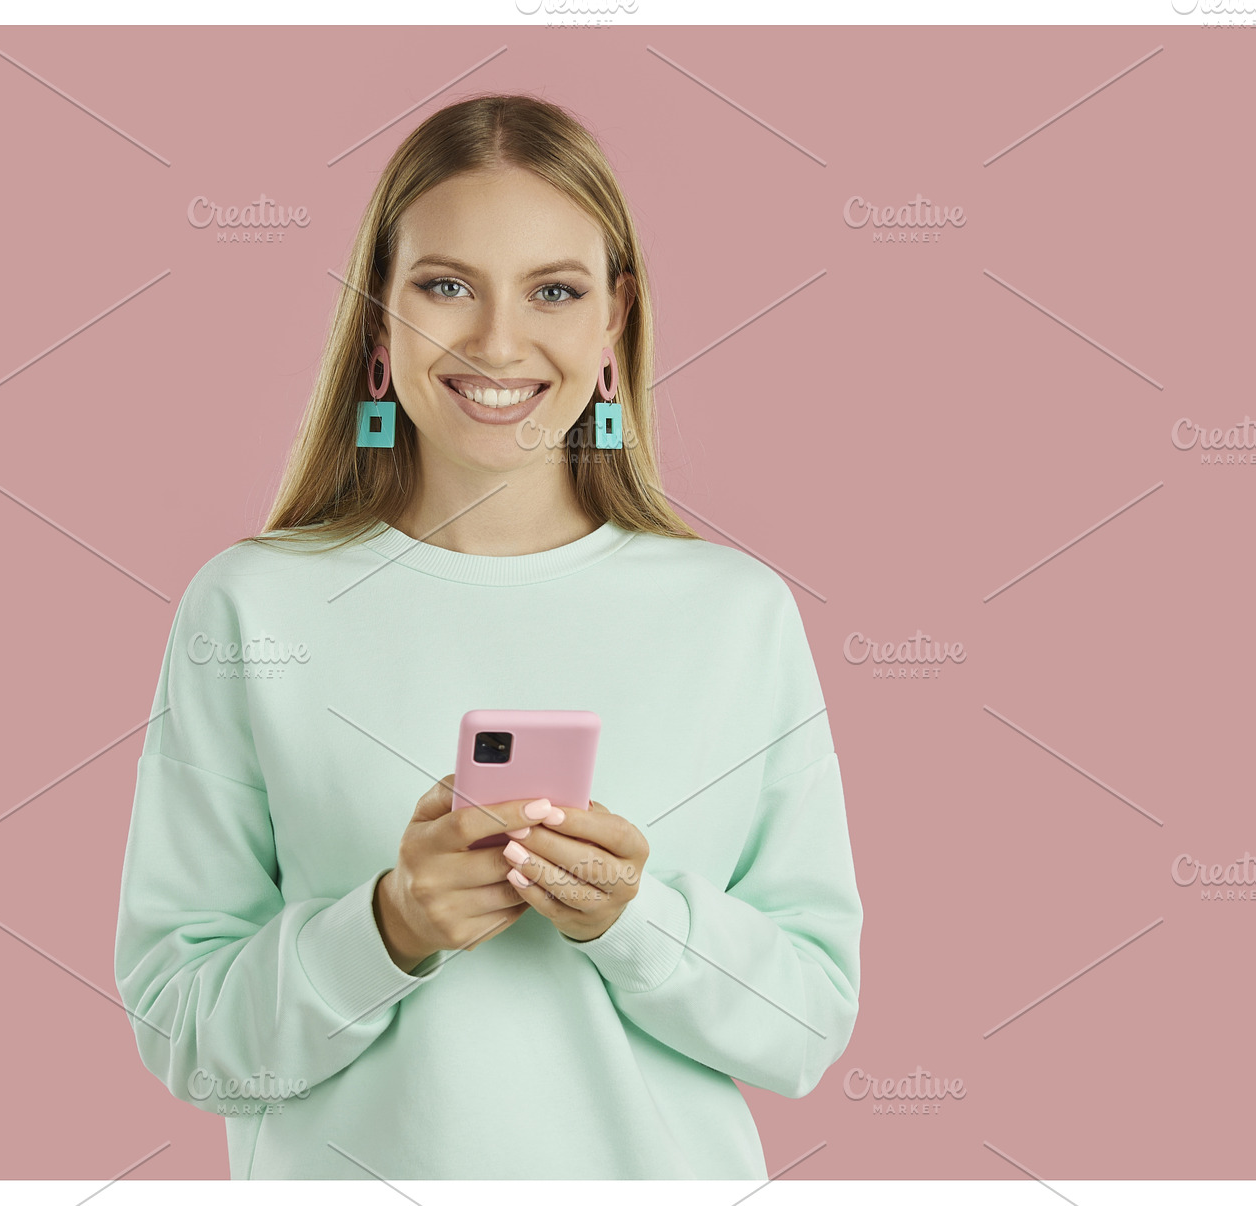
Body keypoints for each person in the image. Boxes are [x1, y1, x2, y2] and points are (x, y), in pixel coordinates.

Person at [113, 93, 862, 1180]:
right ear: (378, 318)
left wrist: (633, 921)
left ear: (614, 321)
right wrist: (389, 926)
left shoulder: (735, 615)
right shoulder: (251, 609)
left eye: (553, 290)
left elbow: (806, 1027)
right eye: (446, 286)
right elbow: (188, 1036)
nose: (499, 342)